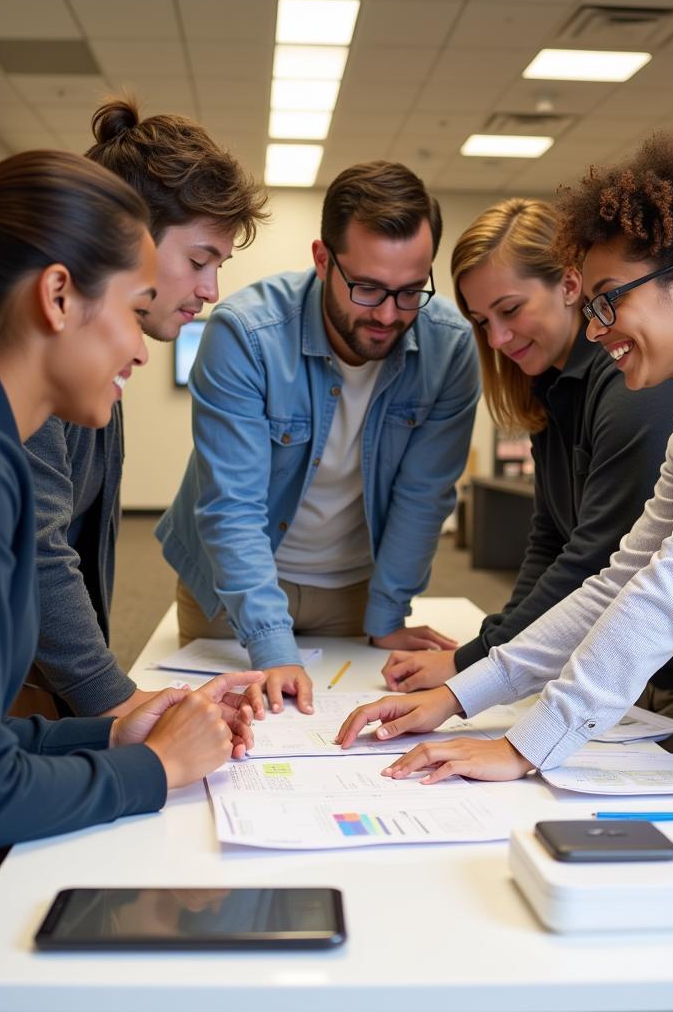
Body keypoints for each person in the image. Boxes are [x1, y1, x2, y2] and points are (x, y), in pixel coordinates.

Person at [336, 124, 673, 926]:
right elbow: (617, 581)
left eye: (607, 300)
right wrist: (461, 694)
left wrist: (527, 745)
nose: (593, 327)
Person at [0, 151, 261, 1009]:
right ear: (56, 298)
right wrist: (153, 770)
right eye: (130, 306)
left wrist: (114, 738)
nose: (142, 345)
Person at [379, 197, 673, 817]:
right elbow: (591, 566)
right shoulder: (672, 413)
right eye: (481, 321)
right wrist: (470, 683)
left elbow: (642, 584)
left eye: (608, 300)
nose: (498, 337)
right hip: (650, 664)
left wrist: (510, 723)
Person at [156, 161, 480, 716]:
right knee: (231, 738)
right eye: (368, 288)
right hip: (229, 591)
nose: (388, 314)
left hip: (354, 589)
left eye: (409, 292)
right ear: (323, 259)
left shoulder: (449, 347)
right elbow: (231, 507)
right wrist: (271, 643)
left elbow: (424, 498)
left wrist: (387, 615)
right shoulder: (245, 335)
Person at [19, 98, 268, 720]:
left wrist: (96, 706)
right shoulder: (30, 368)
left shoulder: (97, 362)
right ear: (124, 238)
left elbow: (72, 549)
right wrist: (118, 707)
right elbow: (36, 552)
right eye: (199, 261)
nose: (211, 291)